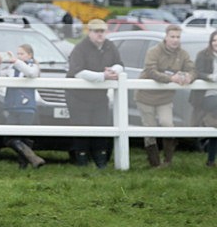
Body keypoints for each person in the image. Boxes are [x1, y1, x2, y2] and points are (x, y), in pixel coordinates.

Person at [65, 18, 123, 168]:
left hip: (99, 97)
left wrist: (114, 70)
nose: (100, 35)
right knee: (82, 128)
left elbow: (120, 64)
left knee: (101, 127)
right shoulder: (80, 48)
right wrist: (103, 76)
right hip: (78, 97)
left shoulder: (110, 46)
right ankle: (81, 162)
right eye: (96, 31)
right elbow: (77, 72)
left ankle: (101, 162)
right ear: (89, 32)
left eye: (102, 31)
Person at [135, 24, 195, 168]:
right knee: (150, 128)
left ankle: (167, 162)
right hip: (145, 97)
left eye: (178, 37)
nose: (175, 40)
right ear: (166, 37)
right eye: (172, 37)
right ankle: (154, 163)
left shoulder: (183, 54)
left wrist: (189, 76)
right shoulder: (154, 51)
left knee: (167, 124)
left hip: (165, 98)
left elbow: (192, 68)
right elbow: (150, 71)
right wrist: (171, 79)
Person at [0, 44, 45, 168]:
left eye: (22, 54)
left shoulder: (33, 66)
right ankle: (32, 157)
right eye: (18, 54)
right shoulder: (12, 67)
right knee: (9, 137)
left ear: (30, 55)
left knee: (24, 137)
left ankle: (23, 164)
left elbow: (31, 73)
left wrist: (16, 61)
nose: (19, 56)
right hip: (12, 106)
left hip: (26, 107)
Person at [189, 29, 217, 167]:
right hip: (207, 96)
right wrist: (210, 77)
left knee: (215, 126)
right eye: (214, 40)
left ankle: (211, 161)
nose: (216, 43)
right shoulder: (203, 55)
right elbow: (197, 72)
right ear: (210, 42)